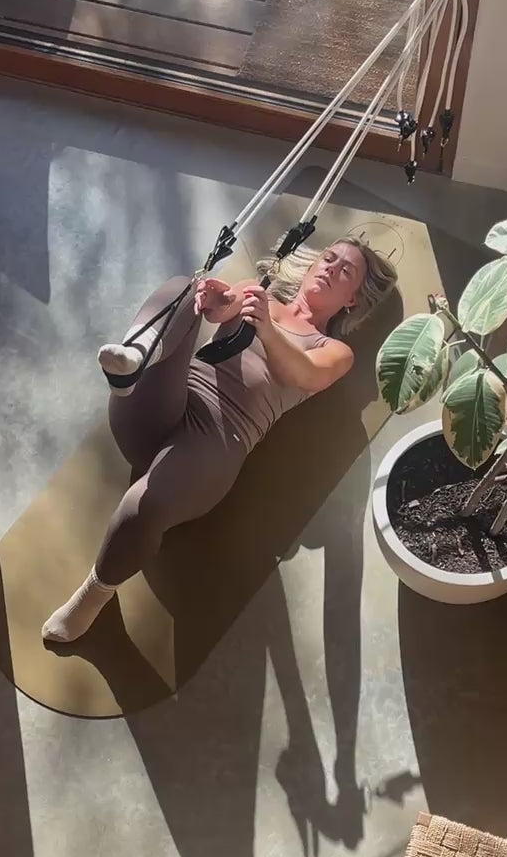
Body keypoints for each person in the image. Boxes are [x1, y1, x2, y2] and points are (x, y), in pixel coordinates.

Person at [42, 237, 398, 644]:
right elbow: (222, 308)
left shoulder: (332, 349)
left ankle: (91, 599)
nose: (331, 268)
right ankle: (137, 355)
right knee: (185, 285)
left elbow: (305, 374)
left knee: (145, 503)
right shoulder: (257, 293)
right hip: (165, 402)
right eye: (329, 258)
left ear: (352, 300)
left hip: (217, 439)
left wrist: (264, 326)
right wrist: (215, 301)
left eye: (345, 271)